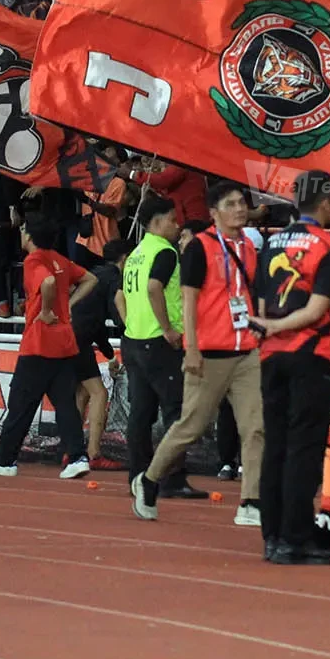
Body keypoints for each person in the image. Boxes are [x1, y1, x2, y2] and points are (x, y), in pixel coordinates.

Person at [132, 181, 265, 526]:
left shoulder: (249, 247)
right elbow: (189, 299)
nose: (240, 209)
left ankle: (251, 501)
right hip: (209, 353)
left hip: (245, 351)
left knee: (255, 427)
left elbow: (251, 294)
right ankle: (149, 479)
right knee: (191, 426)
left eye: (242, 203)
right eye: (231, 204)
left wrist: (259, 328)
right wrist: (191, 348)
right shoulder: (200, 248)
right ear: (213, 212)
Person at [250, 170, 330, 564]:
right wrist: (281, 326)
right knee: (304, 448)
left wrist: (270, 329)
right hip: (311, 354)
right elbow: (317, 308)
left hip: (271, 356)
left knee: (275, 445)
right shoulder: (328, 246)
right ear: (325, 203)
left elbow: (259, 304)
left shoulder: (271, 243)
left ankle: (272, 535)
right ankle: (296, 537)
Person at [0, 215, 97, 479]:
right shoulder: (60, 259)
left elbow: (48, 282)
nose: (20, 232)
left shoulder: (34, 260)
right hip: (63, 342)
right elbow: (90, 279)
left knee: (20, 404)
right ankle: (77, 457)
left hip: (39, 342)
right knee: (65, 404)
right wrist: (68, 305)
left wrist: (48, 310)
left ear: (30, 235)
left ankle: (4, 460)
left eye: (23, 229)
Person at [119, 194, 204, 498]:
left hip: (133, 339)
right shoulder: (165, 252)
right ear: (156, 222)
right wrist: (168, 328)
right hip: (158, 342)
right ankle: (172, 478)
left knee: (140, 413)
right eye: (172, 219)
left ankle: (138, 476)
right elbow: (155, 287)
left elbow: (122, 295)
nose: (177, 225)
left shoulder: (136, 253)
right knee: (174, 411)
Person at [71, 237, 130, 470]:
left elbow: (95, 324)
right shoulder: (114, 278)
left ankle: (72, 451)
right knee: (99, 393)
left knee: (83, 392)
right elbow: (116, 308)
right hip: (79, 339)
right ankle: (93, 452)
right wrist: (129, 329)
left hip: (72, 337)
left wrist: (110, 355)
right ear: (125, 259)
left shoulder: (94, 274)